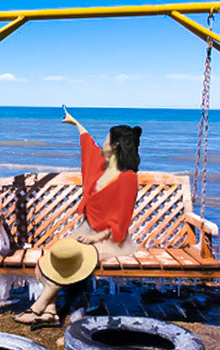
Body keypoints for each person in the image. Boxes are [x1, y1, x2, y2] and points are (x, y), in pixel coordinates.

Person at [15, 107, 142, 327]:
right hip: (86, 230)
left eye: (106, 140)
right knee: (51, 259)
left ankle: (39, 307)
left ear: (115, 147)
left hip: (112, 239)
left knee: (73, 261)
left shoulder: (128, 178)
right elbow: (88, 146)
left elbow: (123, 218)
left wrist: (97, 236)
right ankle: (51, 312)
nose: (102, 143)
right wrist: (76, 124)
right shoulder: (101, 169)